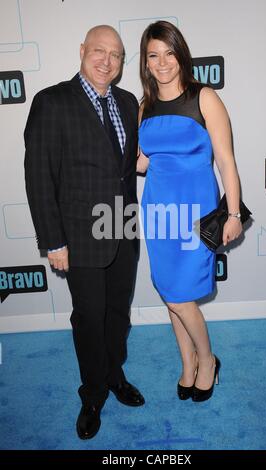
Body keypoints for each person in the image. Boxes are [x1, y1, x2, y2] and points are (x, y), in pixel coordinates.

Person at [24, 25, 144, 440]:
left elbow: (128, 168)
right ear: (82, 51)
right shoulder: (52, 101)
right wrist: (53, 241)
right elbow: (39, 176)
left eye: (115, 54)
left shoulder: (129, 103)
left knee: (117, 315)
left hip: (123, 230)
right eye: (99, 51)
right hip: (78, 236)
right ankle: (92, 394)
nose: (106, 61)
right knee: (89, 318)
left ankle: (114, 375)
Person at [137, 21, 242, 402]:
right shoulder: (145, 105)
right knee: (170, 293)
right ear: (145, 63)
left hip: (197, 213)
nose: (162, 62)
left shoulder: (205, 97)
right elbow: (142, 162)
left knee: (181, 295)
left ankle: (208, 361)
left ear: (180, 55)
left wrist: (232, 215)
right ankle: (188, 365)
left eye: (168, 53)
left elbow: (227, 162)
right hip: (158, 212)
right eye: (153, 55)